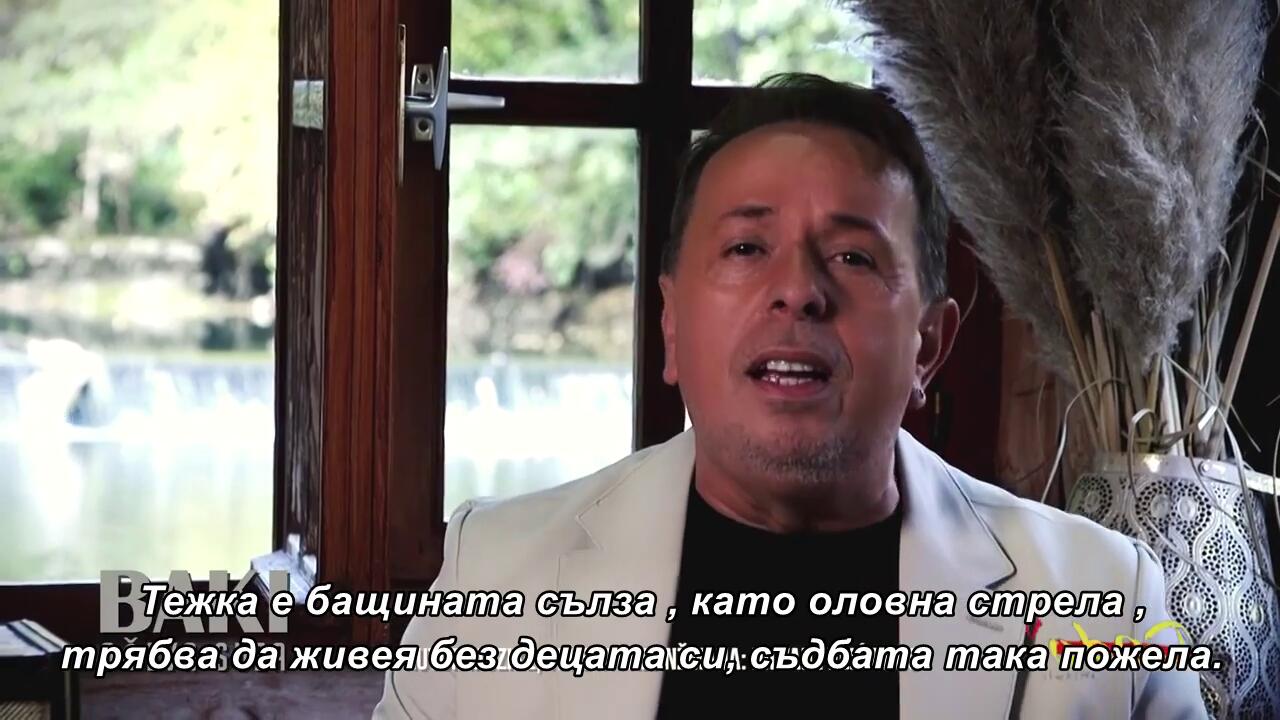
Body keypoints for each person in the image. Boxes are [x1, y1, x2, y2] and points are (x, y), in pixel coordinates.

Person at [374, 73, 1206, 719]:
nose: (799, 291)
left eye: (853, 257)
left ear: (928, 344)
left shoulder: (1102, 600)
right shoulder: (499, 575)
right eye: (746, 247)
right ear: (671, 326)